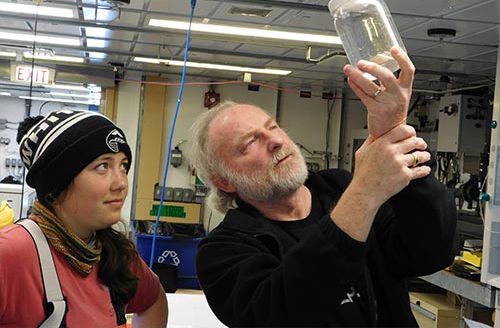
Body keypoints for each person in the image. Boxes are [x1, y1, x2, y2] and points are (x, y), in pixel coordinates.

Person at [189, 47, 458, 327]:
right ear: (224, 181)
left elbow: (430, 253)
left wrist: (395, 135)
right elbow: (282, 314)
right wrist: (364, 191)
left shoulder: (339, 186)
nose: (276, 141)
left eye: (273, 127)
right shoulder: (223, 251)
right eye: (250, 143)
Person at [0, 110, 168, 327]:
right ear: (59, 182)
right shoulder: (12, 253)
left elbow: (153, 300)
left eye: (123, 166)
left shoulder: (114, 252)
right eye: (102, 167)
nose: (121, 183)